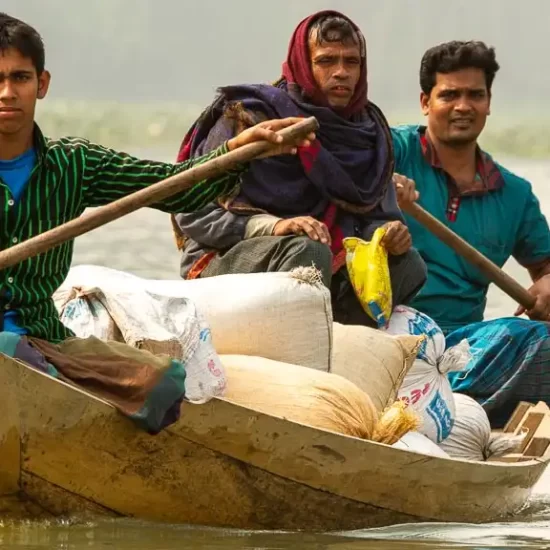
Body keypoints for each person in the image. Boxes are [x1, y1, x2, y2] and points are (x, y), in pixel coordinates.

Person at [0, 12, 314, 432]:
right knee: (10, 358)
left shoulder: (72, 164)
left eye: (20, 78)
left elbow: (171, 186)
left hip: (44, 337)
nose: (7, 93)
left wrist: (240, 150)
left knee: (161, 383)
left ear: (42, 84)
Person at [171, 10, 427, 328]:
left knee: (409, 263)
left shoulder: (369, 134)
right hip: (227, 259)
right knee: (308, 251)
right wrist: (273, 226)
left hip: (323, 269)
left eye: (352, 62)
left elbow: (380, 220)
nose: (341, 73)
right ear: (303, 63)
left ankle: (343, 341)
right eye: (326, 61)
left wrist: (390, 235)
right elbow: (192, 212)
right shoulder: (250, 117)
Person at [392, 40, 550, 426]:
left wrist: (547, 283)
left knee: (535, 342)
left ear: (488, 102)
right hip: (385, 334)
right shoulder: (392, 152)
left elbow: (545, 266)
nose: (463, 106)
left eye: (475, 95)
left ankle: (457, 414)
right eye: (450, 95)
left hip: (464, 348)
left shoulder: (513, 194)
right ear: (425, 102)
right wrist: (381, 188)